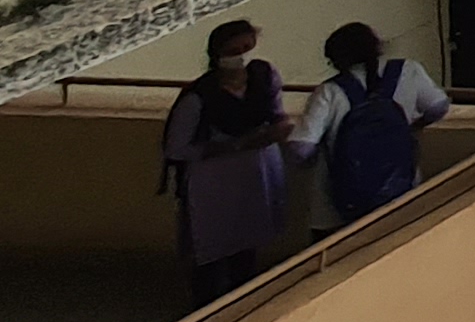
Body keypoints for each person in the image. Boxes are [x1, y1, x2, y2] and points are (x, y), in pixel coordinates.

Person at [160, 18, 288, 305]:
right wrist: (232, 146)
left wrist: (279, 128)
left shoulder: (264, 77)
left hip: (255, 175)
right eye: (235, 49)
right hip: (213, 183)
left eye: (247, 47)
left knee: (247, 246)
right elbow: (176, 147)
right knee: (211, 251)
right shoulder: (199, 97)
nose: (243, 56)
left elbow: (276, 111)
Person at [290, 22, 453, 226]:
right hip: (402, 190)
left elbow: (301, 147)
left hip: (341, 204)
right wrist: (415, 126)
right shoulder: (409, 70)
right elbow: (438, 107)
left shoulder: (329, 91)